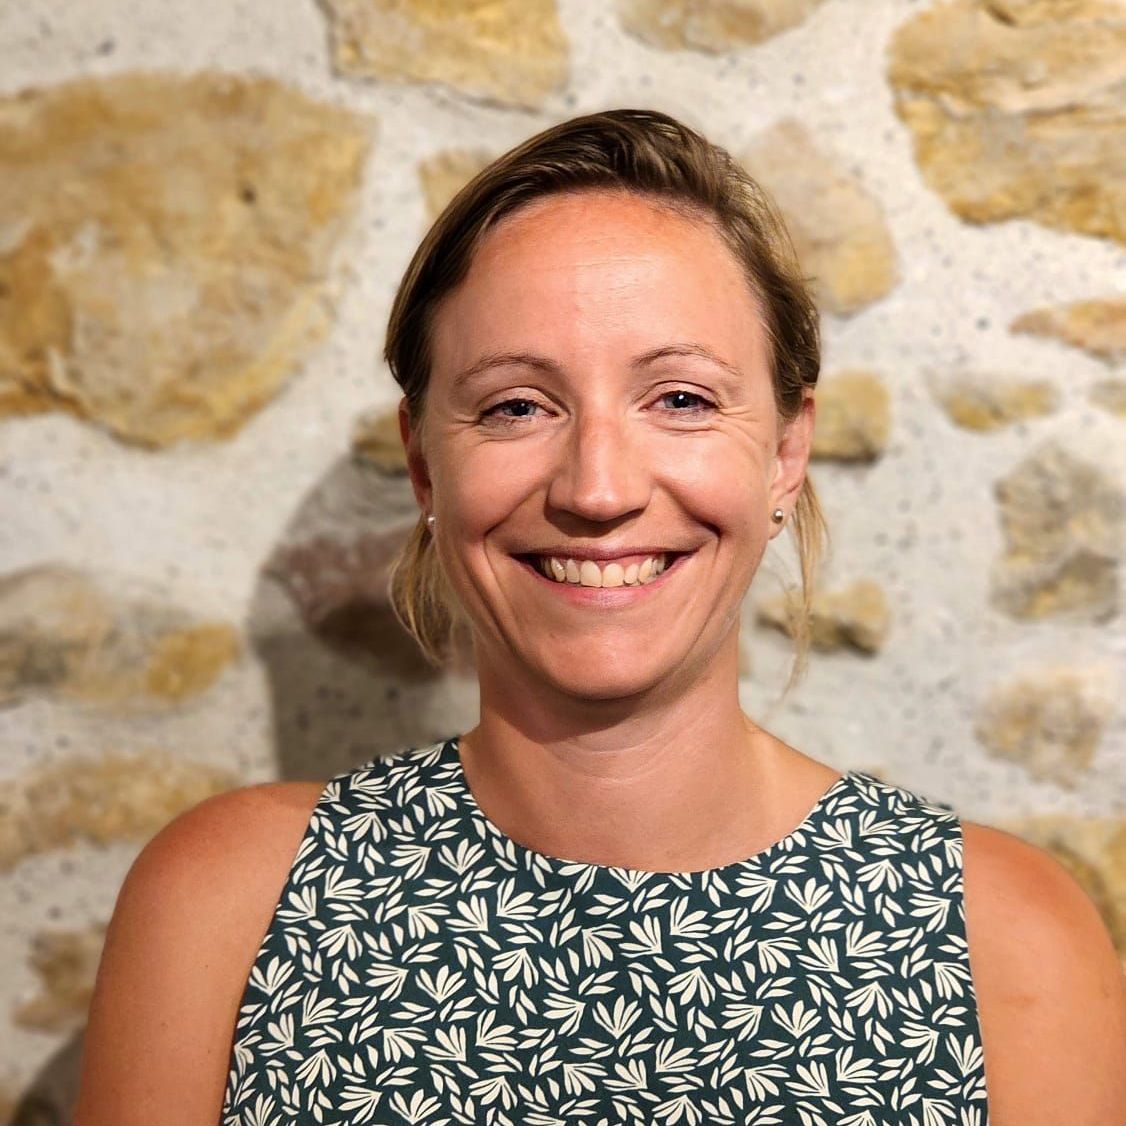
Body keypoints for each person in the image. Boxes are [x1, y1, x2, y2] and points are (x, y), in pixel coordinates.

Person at [75, 109, 1125, 1125]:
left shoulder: (1004, 943)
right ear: (424, 464)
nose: (597, 488)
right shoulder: (230, 904)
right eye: (516, 406)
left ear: (785, 453)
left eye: (681, 399)